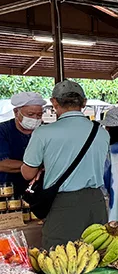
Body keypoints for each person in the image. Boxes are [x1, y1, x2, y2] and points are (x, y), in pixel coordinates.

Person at [21, 81, 110, 249]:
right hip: (96, 202)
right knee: (96, 255)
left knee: (61, 258)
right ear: (84, 102)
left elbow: (27, 174)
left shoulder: (43, 133)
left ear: (54, 102)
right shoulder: (101, 133)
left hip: (64, 204)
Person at [0, 92, 45, 195]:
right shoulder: (3, 131)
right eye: (30, 114)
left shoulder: (44, 131)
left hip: (38, 191)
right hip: (8, 191)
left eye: (39, 115)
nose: (35, 118)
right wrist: (35, 167)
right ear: (16, 112)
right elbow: (2, 164)